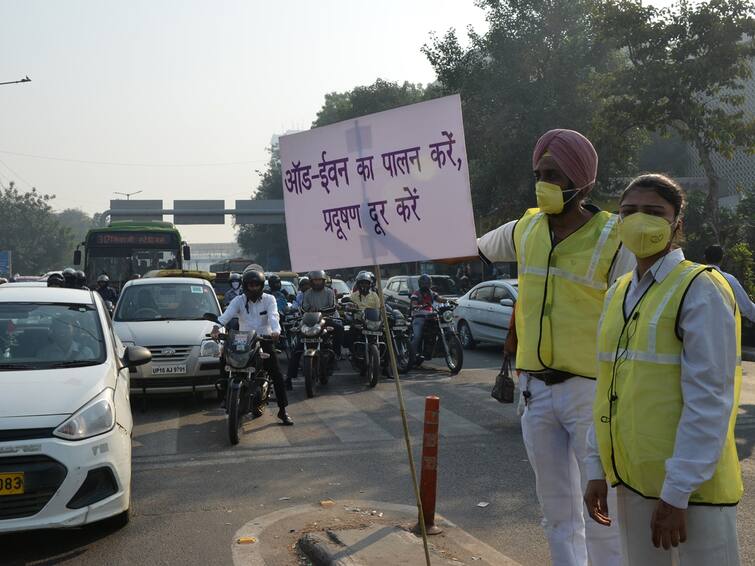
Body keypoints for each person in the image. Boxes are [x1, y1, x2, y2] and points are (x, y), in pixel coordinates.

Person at [477, 129, 630, 566]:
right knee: (556, 510)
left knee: (603, 510)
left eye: (554, 174)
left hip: (591, 391)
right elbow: (468, 249)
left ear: (583, 182)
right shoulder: (525, 227)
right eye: (539, 173)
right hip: (536, 391)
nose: (543, 182)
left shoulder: (613, 236)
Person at [584, 174, 742, 565]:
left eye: (654, 212)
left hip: (693, 494)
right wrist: (596, 467)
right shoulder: (619, 291)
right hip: (633, 483)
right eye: (629, 211)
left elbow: (709, 399)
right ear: (618, 221)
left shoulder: (700, 288)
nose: (640, 220)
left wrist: (677, 492)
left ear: (677, 224)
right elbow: (607, 388)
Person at [212, 269, 293, 425]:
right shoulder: (238, 300)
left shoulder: (270, 299)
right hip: (242, 340)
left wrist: (276, 331)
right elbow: (226, 316)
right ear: (245, 286)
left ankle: (283, 410)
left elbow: (273, 316)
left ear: (262, 286)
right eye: (250, 285)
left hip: (264, 339)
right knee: (224, 359)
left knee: (276, 374)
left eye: (256, 285)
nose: (253, 288)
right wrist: (216, 328)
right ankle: (224, 396)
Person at [287, 270, 343, 383]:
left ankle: (336, 355)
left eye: (319, 280)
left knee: (339, 328)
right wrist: (309, 311)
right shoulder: (307, 293)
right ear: (311, 281)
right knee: (297, 347)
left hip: (325, 320)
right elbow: (303, 309)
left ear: (323, 281)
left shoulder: (329, 292)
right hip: (309, 321)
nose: (317, 282)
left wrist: (320, 311)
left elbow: (332, 308)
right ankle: (289, 378)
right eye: (315, 280)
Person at [704, 244, 755, 322]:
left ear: (705, 258)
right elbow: (747, 308)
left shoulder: (692, 278)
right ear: (722, 259)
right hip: (722, 330)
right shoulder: (729, 280)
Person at [409, 274, 441, 364]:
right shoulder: (416, 293)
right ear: (420, 284)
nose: (426, 285)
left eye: (428, 283)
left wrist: (448, 301)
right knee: (417, 336)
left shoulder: (431, 293)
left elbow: (439, 298)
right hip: (419, 317)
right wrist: (417, 306)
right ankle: (411, 356)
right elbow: (414, 303)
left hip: (430, 317)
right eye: (424, 283)